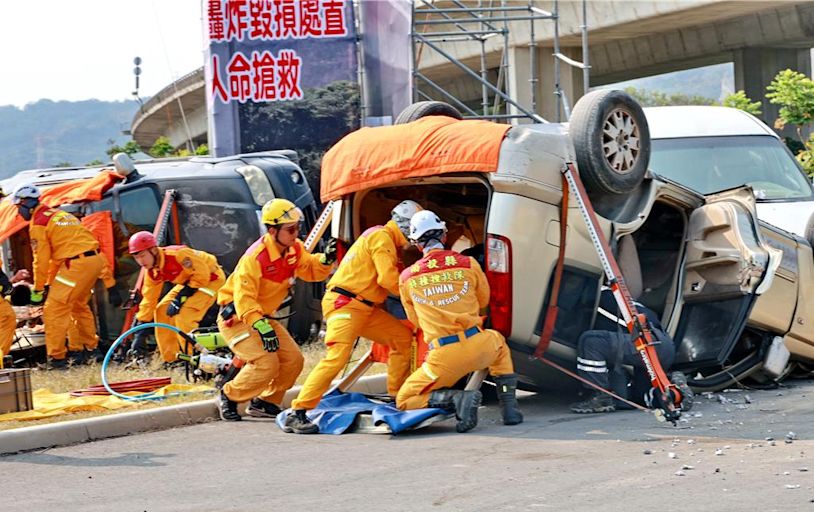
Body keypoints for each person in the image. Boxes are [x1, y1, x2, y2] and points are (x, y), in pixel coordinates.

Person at [283, 200, 422, 434]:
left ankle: (397, 397)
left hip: (364, 307)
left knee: (401, 338)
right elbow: (388, 280)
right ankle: (299, 411)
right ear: (407, 226)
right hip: (345, 304)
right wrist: (418, 296)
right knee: (336, 358)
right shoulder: (382, 238)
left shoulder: (383, 238)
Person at [394, 210, 522, 433]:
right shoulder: (468, 263)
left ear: (417, 244)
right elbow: (484, 299)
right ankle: (510, 409)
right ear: (444, 236)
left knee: (405, 399)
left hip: (443, 359)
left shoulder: (407, 278)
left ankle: (456, 399)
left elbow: (416, 320)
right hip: (478, 344)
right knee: (499, 343)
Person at [216, 198, 336, 421]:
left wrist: (326, 260)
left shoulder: (294, 249)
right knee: (266, 363)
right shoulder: (254, 259)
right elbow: (244, 300)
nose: (296, 233)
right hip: (237, 319)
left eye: (298, 227)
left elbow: (310, 269)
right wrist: (261, 326)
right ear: (272, 230)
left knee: (294, 361)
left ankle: (265, 402)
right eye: (290, 229)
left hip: (262, 318)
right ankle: (229, 395)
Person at [11, 183, 112, 369]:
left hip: (76, 264)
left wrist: (39, 290)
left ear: (25, 203)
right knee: (78, 305)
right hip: (93, 261)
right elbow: (58, 257)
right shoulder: (60, 215)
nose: (18, 213)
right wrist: (49, 283)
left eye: (18, 208)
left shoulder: (39, 223)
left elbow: (41, 260)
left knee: (53, 309)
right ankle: (91, 350)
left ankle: (57, 358)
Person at [569, 285, 693, 414]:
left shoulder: (595, 293)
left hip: (646, 342)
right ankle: (676, 393)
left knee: (590, 341)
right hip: (663, 344)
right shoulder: (619, 296)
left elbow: (571, 320)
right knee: (642, 397)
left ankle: (600, 396)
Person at [128, 231, 226, 365]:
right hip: (189, 283)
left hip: (211, 279)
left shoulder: (178, 255)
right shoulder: (152, 271)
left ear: (153, 250)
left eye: (143, 256)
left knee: (184, 315)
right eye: (136, 258)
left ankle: (195, 359)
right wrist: (140, 328)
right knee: (161, 310)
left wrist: (181, 297)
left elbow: (202, 275)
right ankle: (172, 359)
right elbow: (149, 299)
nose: (140, 261)